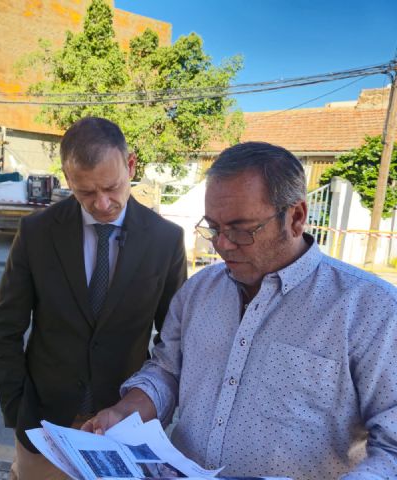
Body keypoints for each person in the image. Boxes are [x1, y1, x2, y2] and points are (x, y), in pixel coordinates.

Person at [83, 141, 397, 480]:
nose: (222, 244)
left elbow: (392, 447)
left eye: (241, 229)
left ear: (296, 218)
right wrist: (126, 411)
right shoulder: (198, 291)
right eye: (214, 227)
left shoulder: (371, 309)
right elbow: (167, 372)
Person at [0, 116, 187, 480]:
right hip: (44, 427)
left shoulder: (165, 240)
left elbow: (172, 343)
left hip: (123, 429)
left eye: (111, 187)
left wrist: (146, 409)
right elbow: (4, 328)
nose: (102, 203)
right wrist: (17, 409)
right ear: (67, 178)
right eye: (86, 192)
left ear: (130, 165)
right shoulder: (37, 232)